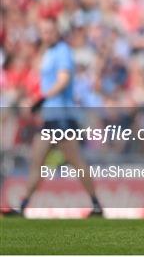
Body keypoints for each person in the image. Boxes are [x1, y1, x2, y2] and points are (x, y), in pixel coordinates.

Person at [18, 17, 103, 217]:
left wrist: (41, 99)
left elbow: (63, 80)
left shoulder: (62, 51)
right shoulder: (48, 53)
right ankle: (22, 206)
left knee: (75, 162)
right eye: (44, 31)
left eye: (50, 31)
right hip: (50, 117)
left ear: (57, 32)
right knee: (37, 161)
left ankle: (96, 203)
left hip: (62, 117)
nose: (47, 35)